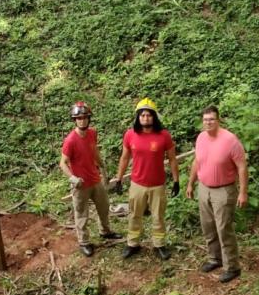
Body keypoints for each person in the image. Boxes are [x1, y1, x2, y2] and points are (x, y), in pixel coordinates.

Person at [186, 106, 248, 283]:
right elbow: (197, 162)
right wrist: (191, 183)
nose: (208, 122)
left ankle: (232, 267)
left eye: (211, 119)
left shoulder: (230, 140)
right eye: (205, 119)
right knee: (208, 226)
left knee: (223, 228)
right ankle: (215, 258)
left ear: (218, 120)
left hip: (224, 190)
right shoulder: (201, 138)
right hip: (204, 188)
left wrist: (243, 192)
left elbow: (242, 167)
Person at [114, 98, 179, 260]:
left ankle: (159, 245)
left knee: (158, 216)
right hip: (137, 184)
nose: (145, 118)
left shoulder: (164, 136)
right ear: (138, 117)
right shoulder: (130, 135)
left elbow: (172, 159)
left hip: (158, 185)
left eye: (149, 115)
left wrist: (176, 181)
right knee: (135, 215)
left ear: (154, 117)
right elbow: (124, 158)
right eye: (142, 115)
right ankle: (132, 244)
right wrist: (119, 179)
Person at [59, 101, 121, 256]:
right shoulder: (70, 140)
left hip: (95, 179)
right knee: (81, 214)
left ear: (89, 119)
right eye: (79, 118)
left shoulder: (93, 133)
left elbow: (94, 151)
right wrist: (73, 178)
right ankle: (84, 242)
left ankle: (105, 231)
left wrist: (103, 166)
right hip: (80, 184)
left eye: (85, 117)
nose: (82, 120)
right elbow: (63, 163)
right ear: (74, 120)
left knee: (104, 206)